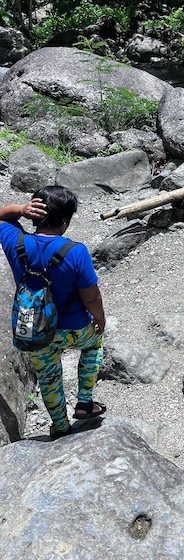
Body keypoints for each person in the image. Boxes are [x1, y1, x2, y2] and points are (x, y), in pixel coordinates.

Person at [0, 185, 106, 439]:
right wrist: (100, 319)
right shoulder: (75, 251)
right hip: (76, 328)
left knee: (48, 376)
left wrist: (19, 209)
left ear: (34, 214)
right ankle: (84, 403)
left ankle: (60, 426)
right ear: (66, 221)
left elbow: (1, 216)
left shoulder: (16, 241)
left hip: (36, 330)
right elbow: (91, 296)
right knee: (94, 346)